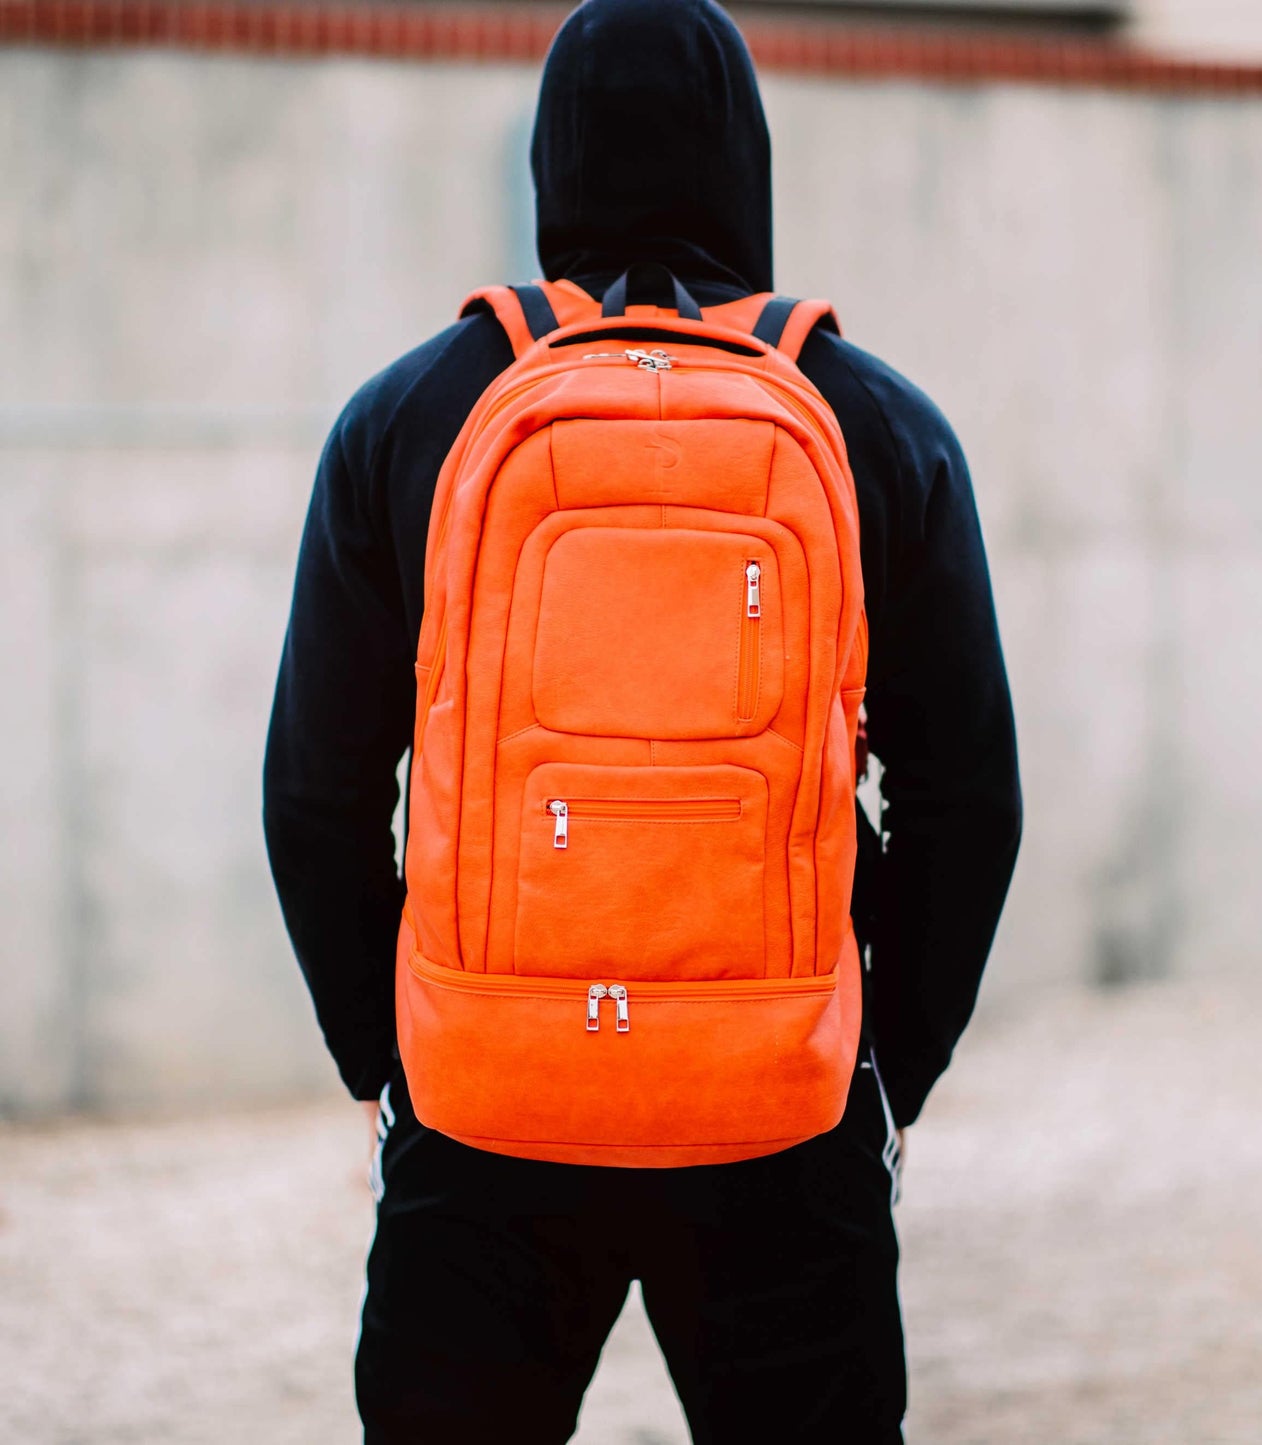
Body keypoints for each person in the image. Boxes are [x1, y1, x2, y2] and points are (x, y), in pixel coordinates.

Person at [263, 0, 1022, 1438]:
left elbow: (313, 791)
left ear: (550, 161)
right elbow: (969, 802)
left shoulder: (406, 419)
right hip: (775, 1117)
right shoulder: (875, 425)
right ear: (750, 159)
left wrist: (388, 1054)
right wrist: (879, 1073)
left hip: (484, 1108)